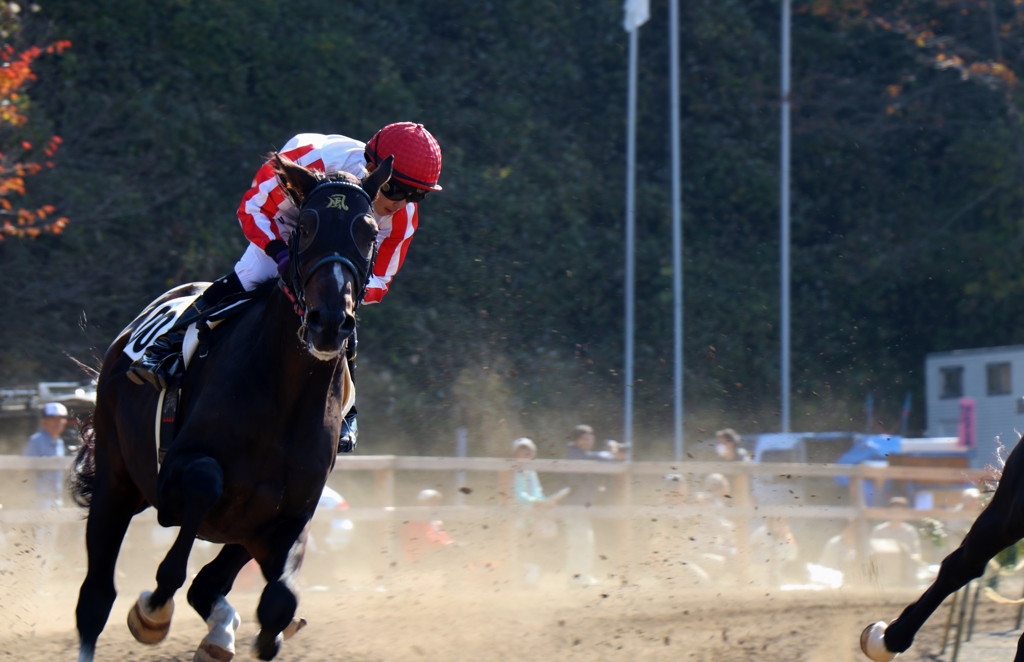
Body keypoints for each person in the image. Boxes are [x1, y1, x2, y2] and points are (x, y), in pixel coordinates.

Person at [128, 123, 443, 453]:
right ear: (372, 167)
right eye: (395, 189)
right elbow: (252, 209)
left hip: (337, 250)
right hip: (289, 218)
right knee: (250, 276)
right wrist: (281, 255)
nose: (401, 203)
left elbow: (380, 281)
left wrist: (341, 285)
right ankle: (166, 346)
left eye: (416, 195)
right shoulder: (309, 160)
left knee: (340, 312)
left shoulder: (402, 218)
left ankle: (347, 410)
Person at [561, 424, 625, 587]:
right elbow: (601, 459)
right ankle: (577, 579)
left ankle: (582, 576)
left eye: (590, 438)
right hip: (574, 506)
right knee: (579, 542)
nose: (589, 441)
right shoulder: (575, 454)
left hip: (581, 507)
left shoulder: (581, 454)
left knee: (585, 541)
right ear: (576, 440)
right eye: (585, 438)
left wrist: (610, 453)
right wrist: (611, 452)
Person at [23, 402, 68, 507]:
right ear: (44, 422)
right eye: (54, 419)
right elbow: (25, 469)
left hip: (56, 498)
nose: (58, 423)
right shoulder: (36, 441)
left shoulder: (60, 442)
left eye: (61, 419)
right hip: (39, 499)